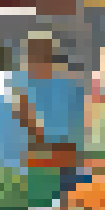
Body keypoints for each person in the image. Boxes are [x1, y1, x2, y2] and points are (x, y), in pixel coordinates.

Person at [23, 31, 89, 192]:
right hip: (46, 158)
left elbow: (76, 126)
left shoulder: (68, 85)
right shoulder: (28, 87)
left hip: (59, 157)